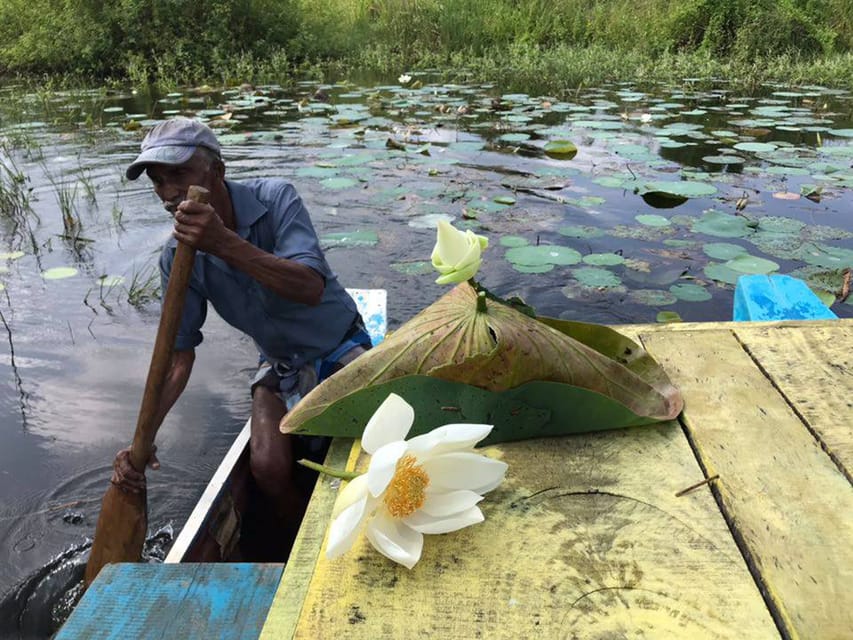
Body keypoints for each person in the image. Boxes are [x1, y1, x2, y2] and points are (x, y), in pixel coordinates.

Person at [111, 117, 370, 546]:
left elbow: (309, 286)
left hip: (338, 343)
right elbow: (178, 357)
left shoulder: (277, 198)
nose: (168, 193)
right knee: (267, 467)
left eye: (179, 174)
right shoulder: (177, 255)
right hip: (280, 361)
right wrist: (143, 441)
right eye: (157, 181)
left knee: (371, 452)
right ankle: (303, 547)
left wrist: (223, 243)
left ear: (217, 171)